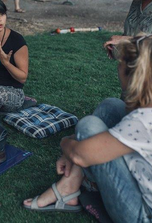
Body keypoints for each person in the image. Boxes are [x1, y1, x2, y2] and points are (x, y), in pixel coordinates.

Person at [23, 34, 152, 222]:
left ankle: (69, 188)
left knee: (88, 126)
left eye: (120, 63)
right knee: (111, 106)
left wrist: (66, 145)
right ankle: (70, 185)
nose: (118, 67)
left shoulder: (143, 120)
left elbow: (79, 154)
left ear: (133, 75)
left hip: (142, 215)